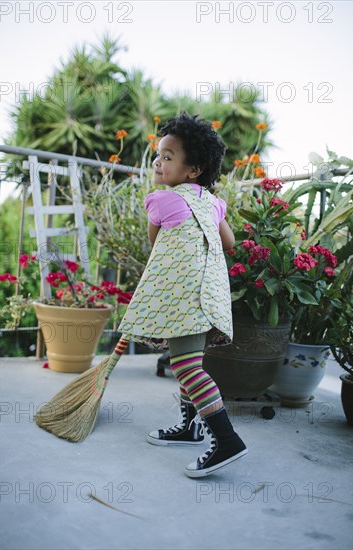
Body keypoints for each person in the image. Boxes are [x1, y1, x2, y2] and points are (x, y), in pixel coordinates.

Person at [117, 111, 247, 478]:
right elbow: (229, 241)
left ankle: (226, 439)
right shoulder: (212, 202)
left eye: (168, 156)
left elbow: (156, 243)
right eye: (158, 155)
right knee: (191, 362)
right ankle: (191, 428)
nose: (158, 161)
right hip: (210, 295)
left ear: (192, 170)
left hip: (183, 297)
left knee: (187, 368)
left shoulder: (161, 200)